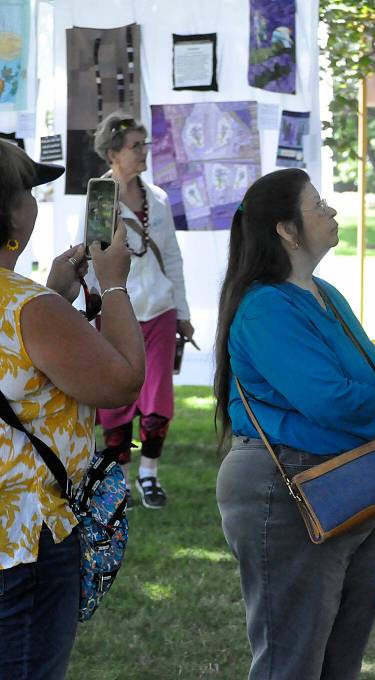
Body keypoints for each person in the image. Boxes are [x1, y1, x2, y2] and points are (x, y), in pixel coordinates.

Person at [213, 168, 375, 680]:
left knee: (340, 660)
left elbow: (365, 384)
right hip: (288, 489)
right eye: (318, 205)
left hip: (352, 482)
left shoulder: (324, 292)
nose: (332, 211)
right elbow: (332, 400)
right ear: (287, 231)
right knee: (290, 660)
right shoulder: (265, 307)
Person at [0, 140, 145, 678]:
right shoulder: (30, 308)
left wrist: (54, 293)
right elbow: (122, 382)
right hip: (23, 540)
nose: (36, 202)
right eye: (30, 191)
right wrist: (113, 283)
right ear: (11, 211)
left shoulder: (33, 304)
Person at [88, 111, 192, 509]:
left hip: (160, 310)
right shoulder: (100, 196)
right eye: (136, 146)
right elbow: (92, 257)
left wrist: (181, 310)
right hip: (118, 312)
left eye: (144, 144)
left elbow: (173, 258)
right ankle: (122, 480)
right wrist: (93, 310)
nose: (144, 151)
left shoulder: (159, 199)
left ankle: (150, 474)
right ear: (114, 153)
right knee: (116, 397)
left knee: (158, 395)